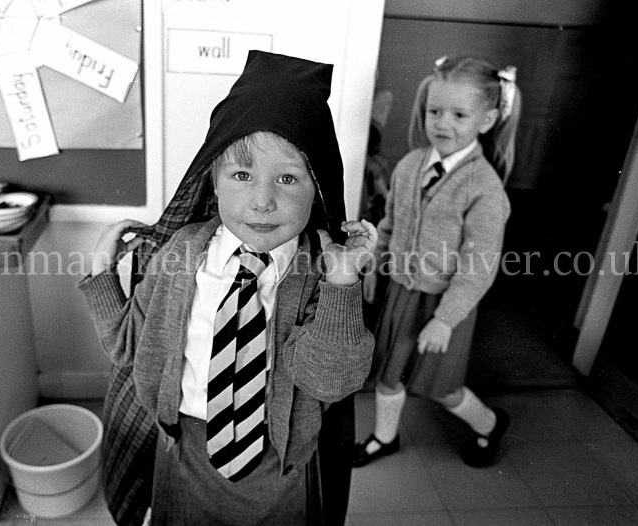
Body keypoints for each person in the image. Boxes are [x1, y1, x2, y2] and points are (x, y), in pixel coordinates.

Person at [78, 50, 376, 525]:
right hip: (185, 450)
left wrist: (342, 284)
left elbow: (330, 382)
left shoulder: (321, 271)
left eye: (287, 178)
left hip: (278, 464)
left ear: (317, 187)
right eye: (242, 175)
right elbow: (130, 350)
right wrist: (102, 277)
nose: (262, 201)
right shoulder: (178, 256)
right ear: (211, 180)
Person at [353, 55, 521, 469]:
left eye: (459, 114)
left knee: (441, 386)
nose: (443, 123)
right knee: (389, 373)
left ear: (487, 119)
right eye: (434, 111)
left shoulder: (484, 188)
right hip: (401, 293)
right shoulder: (410, 166)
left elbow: (478, 265)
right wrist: (376, 262)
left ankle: (488, 424)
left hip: (446, 304)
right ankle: (384, 437)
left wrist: (445, 318)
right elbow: (390, 224)